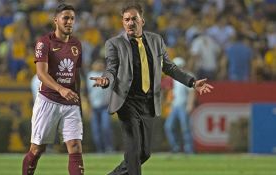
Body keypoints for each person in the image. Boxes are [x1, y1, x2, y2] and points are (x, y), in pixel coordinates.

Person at [90, 2, 213, 175]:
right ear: (122, 22)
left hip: (148, 102)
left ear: (142, 21)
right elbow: (111, 68)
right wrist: (106, 80)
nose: (130, 22)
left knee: (144, 153)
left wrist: (192, 82)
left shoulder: (156, 41)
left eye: (134, 18)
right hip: (127, 102)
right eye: (126, 20)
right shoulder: (114, 44)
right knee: (133, 151)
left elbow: (170, 67)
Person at [22, 3, 84, 175]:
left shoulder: (77, 44)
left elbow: (76, 75)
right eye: (66, 18)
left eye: (72, 18)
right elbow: (41, 74)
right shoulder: (44, 42)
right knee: (37, 149)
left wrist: (79, 101)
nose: (69, 21)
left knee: (75, 145)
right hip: (47, 100)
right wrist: (60, 89)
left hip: (70, 102)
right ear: (56, 20)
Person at [164, 57, 195, 154]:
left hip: (183, 105)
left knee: (185, 127)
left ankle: (189, 149)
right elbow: (169, 90)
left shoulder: (188, 75)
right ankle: (175, 147)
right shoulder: (174, 77)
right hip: (174, 106)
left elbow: (192, 92)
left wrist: (190, 104)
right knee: (168, 126)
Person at [86, 59, 114, 153]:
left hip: (105, 107)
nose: (98, 65)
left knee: (106, 127)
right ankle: (100, 149)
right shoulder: (89, 76)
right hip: (94, 108)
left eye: (100, 63)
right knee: (96, 131)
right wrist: (89, 107)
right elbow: (87, 93)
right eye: (96, 63)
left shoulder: (108, 75)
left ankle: (108, 147)